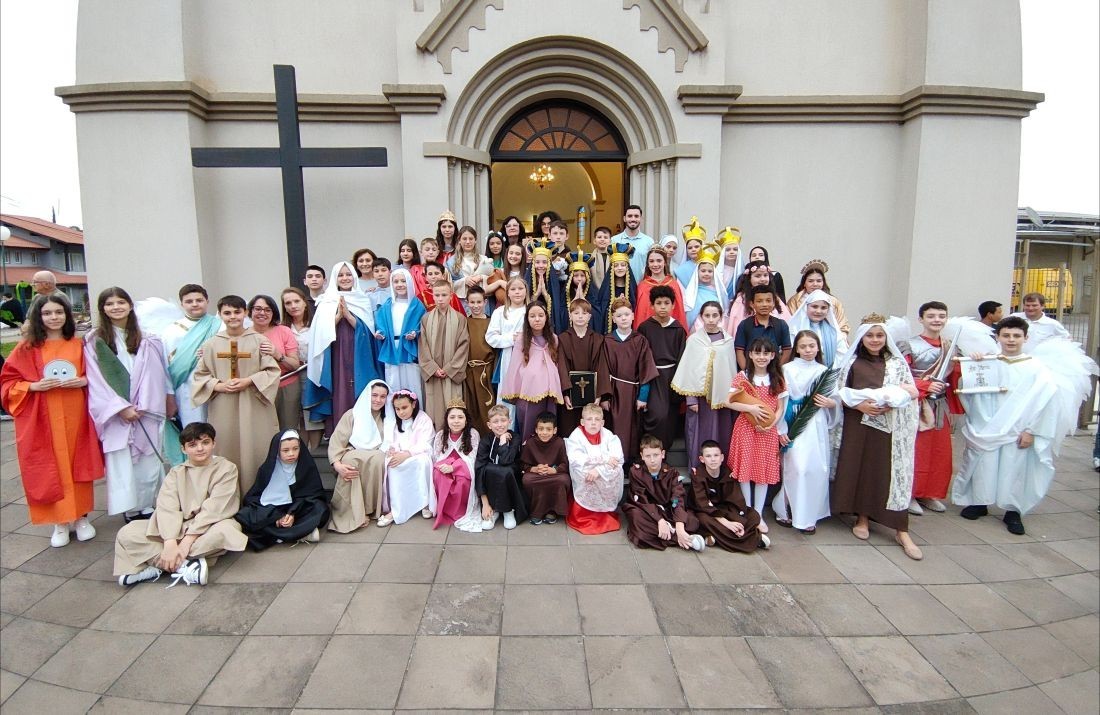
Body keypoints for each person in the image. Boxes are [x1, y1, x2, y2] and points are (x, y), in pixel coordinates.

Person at [952, 317, 1091, 535]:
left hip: (1019, 429)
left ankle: (1013, 510)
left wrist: (1032, 431)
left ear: (1025, 338)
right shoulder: (988, 363)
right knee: (984, 465)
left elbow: (1046, 404)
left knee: (1014, 469)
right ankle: (980, 502)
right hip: (988, 426)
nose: (1011, 340)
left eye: (1016, 336)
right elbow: (968, 391)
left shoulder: (1037, 369)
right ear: (997, 337)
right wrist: (973, 365)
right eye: (1006, 335)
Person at [0, 294, 105, 548]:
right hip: (43, 418)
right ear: (39, 316)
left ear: (67, 315)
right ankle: (59, 522)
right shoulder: (27, 348)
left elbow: (98, 375)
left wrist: (84, 381)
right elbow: (7, 382)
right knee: (51, 467)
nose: (54, 317)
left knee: (76, 464)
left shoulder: (80, 345)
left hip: (76, 415)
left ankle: (81, 517)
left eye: (59, 312)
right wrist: (33, 386)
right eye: (47, 313)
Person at [832, 314, 923, 560]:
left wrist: (894, 401)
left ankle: (900, 529)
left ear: (886, 338)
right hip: (858, 425)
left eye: (879, 335)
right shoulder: (852, 363)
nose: (874, 340)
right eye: (870, 335)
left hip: (889, 427)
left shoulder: (896, 363)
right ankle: (862, 517)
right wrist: (860, 406)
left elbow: (910, 390)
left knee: (887, 472)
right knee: (862, 470)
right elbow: (839, 391)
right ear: (862, 338)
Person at [114, 422, 247, 587]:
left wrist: (186, 542)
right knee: (128, 532)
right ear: (183, 449)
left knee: (228, 530)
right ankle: (185, 566)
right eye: (193, 444)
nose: (200, 448)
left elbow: (215, 508)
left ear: (214, 443)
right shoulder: (176, 473)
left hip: (208, 527)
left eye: (205, 442)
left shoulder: (226, 468)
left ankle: (159, 563)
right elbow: (166, 508)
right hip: (175, 528)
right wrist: (170, 542)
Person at [84, 286, 171, 521]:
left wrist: (145, 406)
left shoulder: (148, 338)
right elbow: (96, 379)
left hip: (146, 409)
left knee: (149, 461)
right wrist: (120, 407)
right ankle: (131, 507)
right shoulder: (95, 341)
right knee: (123, 462)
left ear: (130, 305)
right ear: (102, 309)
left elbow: (158, 375)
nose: (116, 307)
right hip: (117, 411)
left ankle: (149, 503)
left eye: (121, 302)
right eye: (110, 304)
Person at [191, 295, 281, 492]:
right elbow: (200, 375)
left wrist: (249, 380)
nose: (233, 317)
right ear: (220, 315)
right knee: (226, 446)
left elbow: (272, 371)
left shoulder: (259, 341)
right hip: (224, 405)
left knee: (257, 448)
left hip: (253, 403)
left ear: (245, 313)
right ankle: (226, 496)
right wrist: (218, 385)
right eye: (227, 313)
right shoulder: (211, 345)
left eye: (237, 312)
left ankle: (259, 495)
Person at [303, 262, 381, 436]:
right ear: (334, 278)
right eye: (341, 275)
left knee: (359, 390)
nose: (345, 278)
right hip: (335, 354)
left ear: (354, 277)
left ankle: (362, 435)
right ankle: (339, 435)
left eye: (348, 274)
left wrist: (349, 317)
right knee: (339, 389)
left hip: (359, 353)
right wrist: (338, 317)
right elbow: (320, 335)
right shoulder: (327, 300)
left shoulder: (363, 300)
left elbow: (369, 333)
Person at [775, 330, 838, 534]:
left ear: (818, 347)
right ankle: (787, 508)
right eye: (803, 346)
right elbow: (781, 400)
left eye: (811, 346)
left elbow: (835, 398)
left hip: (815, 423)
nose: (808, 350)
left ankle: (809, 514)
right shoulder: (787, 369)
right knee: (796, 467)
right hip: (793, 420)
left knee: (816, 468)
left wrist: (831, 403)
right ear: (796, 349)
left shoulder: (824, 371)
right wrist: (781, 428)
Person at [903, 301, 962, 515]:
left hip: (939, 404)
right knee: (917, 449)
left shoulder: (951, 346)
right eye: (931, 316)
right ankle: (910, 493)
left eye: (941, 316)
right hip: (916, 403)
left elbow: (957, 375)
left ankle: (929, 493)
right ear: (921, 319)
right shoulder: (909, 345)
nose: (936, 320)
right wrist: (924, 385)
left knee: (939, 452)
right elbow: (901, 375)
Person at [726, 337, 788, 533]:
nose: (761, 357)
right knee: (745, 470)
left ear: (772, 355)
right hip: (746, 427)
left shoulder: (778, 378)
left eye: (766, 353)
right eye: (757, 353)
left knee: (762, 472)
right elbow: (728, 401)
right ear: (750, 355)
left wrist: (771, 424)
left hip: (767, 432)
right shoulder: (743, 377)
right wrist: (750, 409)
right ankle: (746, 511)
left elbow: (780, 408)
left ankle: (759, 514)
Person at [235, 430, 330, 550]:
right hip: (273, 511)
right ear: (277, 450)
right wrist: (277, 518)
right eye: (285, 450)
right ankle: (298, 534)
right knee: (245, 514)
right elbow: (253, 498)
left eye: (295, 449)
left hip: (298, 510)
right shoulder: (267, 469)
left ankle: (278, 535)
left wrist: (292, 513)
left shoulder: (306, 466)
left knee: (320, 508)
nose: (291, 454)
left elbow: (313, 494)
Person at [672, 301, 737, 464]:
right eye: (707, 315)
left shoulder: (728, 342)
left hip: (722, 400)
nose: (711, 319)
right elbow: (688, 370)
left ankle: (721, 468)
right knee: (700, 434)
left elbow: (731, 370)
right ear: (701, 317)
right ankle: (697, 468)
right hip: (700, 400)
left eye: (715, 315)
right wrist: (691, 399)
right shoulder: (694, 340)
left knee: (722, 433)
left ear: (721, 317)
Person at [622, 434, 707, 551]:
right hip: (646, 510)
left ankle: (677, 533)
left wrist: (679, 526)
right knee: (636, 519)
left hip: (667, 509)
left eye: (656, 455)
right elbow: (642, 499)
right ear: (642, 456)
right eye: (648, 456)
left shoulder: (672, 473)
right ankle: (682, 539)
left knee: (692, 522)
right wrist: (660, 521)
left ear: (662, 454)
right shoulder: (636, 472)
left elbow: (677, 498)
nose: (652, 460)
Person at [328, 379, 390, 532]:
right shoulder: (352, 414)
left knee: (378, 459)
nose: (378, 400)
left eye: (383, 397)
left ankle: (371, 509)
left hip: (378, 454)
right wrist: (337, 464)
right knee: (349, 460)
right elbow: (337, 441)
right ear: (367, 395)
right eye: (374, 395)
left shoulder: (389, 418)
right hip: (352, 452)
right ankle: (355, 511)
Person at [687, 440, 768, 551]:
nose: (713, 459)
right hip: (705, 511)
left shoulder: (727, 473)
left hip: (724, 509)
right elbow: (703, 504)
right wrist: (727, 523)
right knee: (702, 520)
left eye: (716, 455)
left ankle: (720, 535)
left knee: (753, 514)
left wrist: (738, 521)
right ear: (702, 459)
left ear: (722, 458)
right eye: (708, 456)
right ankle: (750, 538)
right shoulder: (698, 476)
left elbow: (735, 500)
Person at [499, 302, 563, 441]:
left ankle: (548, 457)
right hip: (528, 392)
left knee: (548, 424)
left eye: (541, 315)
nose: (537, 319)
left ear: (546, 317)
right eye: (532, 316)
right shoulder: (522, 339)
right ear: (527, 319)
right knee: (529, 424)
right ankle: (528, 458)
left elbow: (556, 364)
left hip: (549, 392)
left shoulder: (554, 339)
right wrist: (513, 390)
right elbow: (514, 367)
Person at [603, 298, 658, 459]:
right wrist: (605, 396)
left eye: (627, 314)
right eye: (619, 316)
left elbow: (646, 370)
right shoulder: (607, 341)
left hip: (633, 391)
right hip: (613, 391)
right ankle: (614, 460)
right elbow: (603, 370)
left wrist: (643, 396)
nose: (624, 318)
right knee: (614, 426)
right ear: (613, 319)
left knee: (633, 428)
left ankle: (630, 462)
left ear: (633, 316)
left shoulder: (640, 340)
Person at [162, 283, 221, 427]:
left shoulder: (220, 326)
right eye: (189, 301)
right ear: (181, 304)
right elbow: (165, 365)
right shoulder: (172, 331)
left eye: (199, 300)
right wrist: (169, 394)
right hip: (185, 387)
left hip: (216, 386)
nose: (194, 304)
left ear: (207, 301)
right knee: (193, 430)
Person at [637, 285, 687, 453]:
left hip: (672, 376)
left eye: (667, 303)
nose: (663, 307)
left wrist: (679, 381)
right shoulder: (645, 327)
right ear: (652, 306)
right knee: (656, 415)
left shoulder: (678, 329)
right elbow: (642, 356)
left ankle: (663, 454)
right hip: (652, 375)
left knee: (670, 417)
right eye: (659, 303)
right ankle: (649, 452)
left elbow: (682, 357)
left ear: (673, 305)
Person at [376, 389, 435, 526]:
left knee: (421, 463)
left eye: (404, 407)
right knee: (393, 465)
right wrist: (393, 451)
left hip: (419, 455)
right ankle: (397, 509)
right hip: (402, 455)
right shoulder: (396, 423)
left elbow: (426, 444)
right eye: (397, 409)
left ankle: (424, 503)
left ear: (413, 404)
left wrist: (408, 454)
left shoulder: (423, 419)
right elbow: (393, 441)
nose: (401, 412)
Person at [565, 403, 624, 534]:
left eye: (597, 419)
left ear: (602, 422)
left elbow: (617, 457)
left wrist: (599, 470)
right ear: (582, 421)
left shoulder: (609, 435)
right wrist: (604, 460)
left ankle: (605, 514)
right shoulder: (576, 436)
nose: (593, 423)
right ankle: (585, 514)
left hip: (601, 473)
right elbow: (577, 459)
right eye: (589, 419)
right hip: (585, 473)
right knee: (586, 475)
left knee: (617, 471)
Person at [556, 298, 611, 437]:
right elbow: (562, 366)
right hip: (570, 395)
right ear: (570, 315)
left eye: (584, 313)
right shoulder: (563, 339)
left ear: (590, 317)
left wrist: (599, 394)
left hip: (592, 395)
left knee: (590, 425)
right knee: (570, 428)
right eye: (576, 313)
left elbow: (602, 366)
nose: (580, 316)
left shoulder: (598, 339)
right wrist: (566, 394)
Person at [418, 280, 469, 428]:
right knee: (434, 408)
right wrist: (433, 369)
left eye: (444, 295)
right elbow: (423, 346)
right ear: (432, 296)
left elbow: (463, 346)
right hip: (433, 374)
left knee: (453, 407)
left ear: (451, 296)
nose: (440, 299)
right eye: (437, 295)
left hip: (451, 373)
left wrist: (448, 369)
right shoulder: (426, 319)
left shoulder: (460, 319)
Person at [248, 294, 302, 432]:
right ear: (250, 311)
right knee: (261, 429)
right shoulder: (243, 335)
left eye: (267, 310)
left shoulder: (284, 331)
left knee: (287, 429)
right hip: (256, 388)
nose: (262, 313)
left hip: (285, 385)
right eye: (258, 309)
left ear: (274, 312)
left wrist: (278, 355)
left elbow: (295, 364)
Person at [473, 403, 527, 529]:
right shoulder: (485, 440)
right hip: (490, 482)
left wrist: (503, 441)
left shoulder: (515, 438)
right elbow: (479, 468)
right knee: (487, 469)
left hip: (511, 477)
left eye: (503, 420)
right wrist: (485, 503)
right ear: (489, 425)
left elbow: (505, 461)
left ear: (509, 421)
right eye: (495, 421)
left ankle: (508, 510)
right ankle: (493, 509)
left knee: (505, 471)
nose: (499, 424)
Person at [374, 267, 426, 396]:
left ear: (409, 282)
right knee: (393, 385)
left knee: (413, 385)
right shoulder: (387, 305)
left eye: (403, 281)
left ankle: (415, 413)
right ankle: (394, 414)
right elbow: (381, 324)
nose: (400, 285)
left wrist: (415, 332)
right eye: (396, 282)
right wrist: (381, 333)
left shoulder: (416, 305)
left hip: (409, 349)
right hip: (392, 348)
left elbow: (423, 324)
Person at [281, 287, 322, 446]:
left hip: (312, 373)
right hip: (290, 374)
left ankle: (314, 453)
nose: (293, 306)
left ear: (305, 303)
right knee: (296, 417)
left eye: (296, 301)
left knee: (312, 414)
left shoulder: (316, 324)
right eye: (288, 303)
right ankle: (301, 451)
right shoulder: (282, 327)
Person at [431, 400, 480, 529]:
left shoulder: (472, 434)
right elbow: (437, 457)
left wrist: (454, 467)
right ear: (447, 419)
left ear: (466, 420)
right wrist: (446, 466)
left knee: (462, 481)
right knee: (438, 475)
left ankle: (459, 511)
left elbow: (472, 458)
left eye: (460, 417)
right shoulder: (441, 435)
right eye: (452, 417)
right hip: (444, 467)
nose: (456, 421)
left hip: (463, 469)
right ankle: (444, 511)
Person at [520, 411, 571, 525]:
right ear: (536, 430)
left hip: (555, 474)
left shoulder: (559, 443)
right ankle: (536, 512)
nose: (544, 432)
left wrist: (554, 470)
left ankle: (552, 512)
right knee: (527, 480)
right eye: (541, 429)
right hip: (536, 475)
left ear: (555, 430)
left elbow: (565, 463)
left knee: (564, 480)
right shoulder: (531, 443)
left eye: (548, 429)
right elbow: (523, 464)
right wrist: (535, 469)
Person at [486, 278, 528, 401]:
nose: (517, 292)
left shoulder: (530, 310)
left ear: (526, 291)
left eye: (520, 289)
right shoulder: (500, 312)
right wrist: (512, 338)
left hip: (528, 355)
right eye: (513, 289)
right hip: (508, 356)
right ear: (508, 293)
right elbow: (491, 337)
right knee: (508, 393)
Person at [727, 261, 793, 337]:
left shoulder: (775, 298)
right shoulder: (742, 300)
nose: (762, 279)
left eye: (765, 275)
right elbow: (736, 326)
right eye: (758, 276)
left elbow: (786, 321)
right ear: (749, 278)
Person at [462, 287, 497, 431]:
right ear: (467, 303)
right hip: (469, 371)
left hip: (486, 371)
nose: (476, 306)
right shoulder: (464, 322)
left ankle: (490, 438)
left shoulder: (492, 322)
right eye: (472, 302)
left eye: (479, 302)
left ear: (485, 302)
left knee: (487, 406)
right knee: (472, 408)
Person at [785, 260, 851, 336]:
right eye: (811, 281)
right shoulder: (794, 301)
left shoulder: (833, 302)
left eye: (819, 281)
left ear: (823, 283)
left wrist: (838, 339)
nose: (815, 284)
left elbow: (842, 325)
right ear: (804, 283)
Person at [734, 285, 792, 369]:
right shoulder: (745, 325)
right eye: (759, 301)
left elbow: (787, 350)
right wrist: (747, 372)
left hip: (774, 373)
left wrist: (776, 370)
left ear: (774, 303)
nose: (764, 304)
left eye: (768, 301)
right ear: (752, 304)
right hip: (751, 372)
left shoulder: (781, 325)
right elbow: (739, 351)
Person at [786, 290, 848, 368]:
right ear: (806, 307)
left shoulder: (834, 332)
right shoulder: (795, 328)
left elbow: (842, 356)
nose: (818, 311)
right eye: (814, 306)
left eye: (823, 308)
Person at [633, 246, 687, 329]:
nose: (655, 264)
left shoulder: (673, 284)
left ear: (665, 262)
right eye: (651, 261)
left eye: (659, 261)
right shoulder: (642, 286)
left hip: (670, 332)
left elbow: (678, 312)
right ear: (647, 264)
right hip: (648, 332)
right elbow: (640, 314)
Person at [525, 237, 568, 334]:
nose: (541, 265)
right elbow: (524, 305)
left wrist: (545, 294)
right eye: (537, 262)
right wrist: (536, 295)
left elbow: (557, 307)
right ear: (533, 263)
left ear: (549, 264)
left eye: (544, 262)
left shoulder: (556, 282)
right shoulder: (527, 281)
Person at [593, 243, 637, 335]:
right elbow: (600, 311)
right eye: (616, 265)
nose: (619, 268)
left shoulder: (633, 289)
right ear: (611, 268)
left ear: (627, 267)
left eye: (623, 265)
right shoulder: (605, 288)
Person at [682, 244, 729, 329]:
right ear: (697, 272)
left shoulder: (719, 292)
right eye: (703, 271)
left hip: (716, 328)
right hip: (696, 330)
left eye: (710, 271)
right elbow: (689, 314)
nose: (706, 274)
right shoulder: (692, 293)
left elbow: (724, 312)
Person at [448, 225, 495, 306]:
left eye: (471, 239)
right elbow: (447, 284)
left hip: (482, 303)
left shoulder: (484, 259)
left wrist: (481, 278)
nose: (468, 242)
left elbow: (493, 280)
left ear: (475, 240)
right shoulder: (451, 262)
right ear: (459, 240)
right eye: (464, 239)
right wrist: (464, 281)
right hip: (462, 304)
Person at [611, 204, 653, 280]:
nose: (633, 219)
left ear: (641, 219)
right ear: (624, 218)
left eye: (636, 216)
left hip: (642, 287)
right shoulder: (614, 241)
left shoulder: (649, 242)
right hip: (620, 287)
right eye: (630, 216)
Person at [675, 217, 707, 287]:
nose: (693, 249)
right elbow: (681, 290)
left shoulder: (709, 266)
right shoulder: (682, 270)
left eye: (696, 247)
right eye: (690, 248)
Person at [589, 225, 613, 293]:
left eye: (605, 237)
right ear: (594, 241)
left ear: (610, 241)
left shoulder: (614, 257)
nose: (602, 239)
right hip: (594, 292)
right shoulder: (589, 259)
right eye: (599, 237)